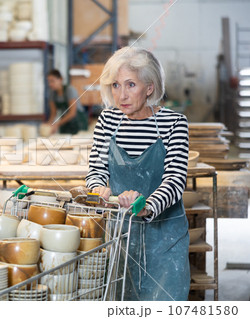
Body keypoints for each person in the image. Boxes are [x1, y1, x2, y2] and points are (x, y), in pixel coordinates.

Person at [85, 47, 190, 301]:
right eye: (116, 85)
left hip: (166, 240)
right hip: (122, 238)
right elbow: (96, 171)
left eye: (130, 85)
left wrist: (145, 205)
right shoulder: (108, 120)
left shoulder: (174, 124)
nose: (121, 95)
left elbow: (175, 181)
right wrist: (98, 190)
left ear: (150, 88)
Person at [46, 69, 88, 135]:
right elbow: (53, 113)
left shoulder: (69, 90)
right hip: (65, 124)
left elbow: (72, 113)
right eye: (49, 81)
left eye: (52, 81)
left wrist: (57, 124)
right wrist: (48, 125)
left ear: (60, 79)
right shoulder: (52, 94)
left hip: (78, 123)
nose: (50, 84)